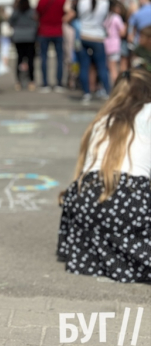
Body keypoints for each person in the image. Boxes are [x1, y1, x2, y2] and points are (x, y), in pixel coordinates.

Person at [57, 68, 151, 283]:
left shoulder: (103, 118)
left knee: (107, 226)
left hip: (86, 199)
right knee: (127, 220)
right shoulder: (149, 112)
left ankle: (102, 258)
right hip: (128, 197)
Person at [78, 0, 111, 104]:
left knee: (84, 67)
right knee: (102, 66)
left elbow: (80, 16)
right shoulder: (104, 3)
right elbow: (104, 18)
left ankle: (86, 93)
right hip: (98, 37)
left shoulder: (82, 2)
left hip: (84, 36)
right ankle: (107, 92)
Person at [36, 0, 67, 92]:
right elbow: (65, 13)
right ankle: (59, 83)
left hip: (44, 31)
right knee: (60, 58)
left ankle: (45, 84)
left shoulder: (41, 0)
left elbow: (38, 14)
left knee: (44, 58)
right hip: (58, 31)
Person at [10, 0, 38, 91]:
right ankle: (31, 81)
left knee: (19, 59)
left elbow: (11, 21)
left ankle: (18, 82)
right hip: (30, 37)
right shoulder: (31, 10)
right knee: (30, 60)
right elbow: (36, 22)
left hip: (19, 37)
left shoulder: (17, 9)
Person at [104, 0, 126, 85]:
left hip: (106, 44)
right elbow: (122, 32)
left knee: (108, 67)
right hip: (115, 45)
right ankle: (116, 86)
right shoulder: (117, 18)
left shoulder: (107, 17)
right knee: (113, 68)